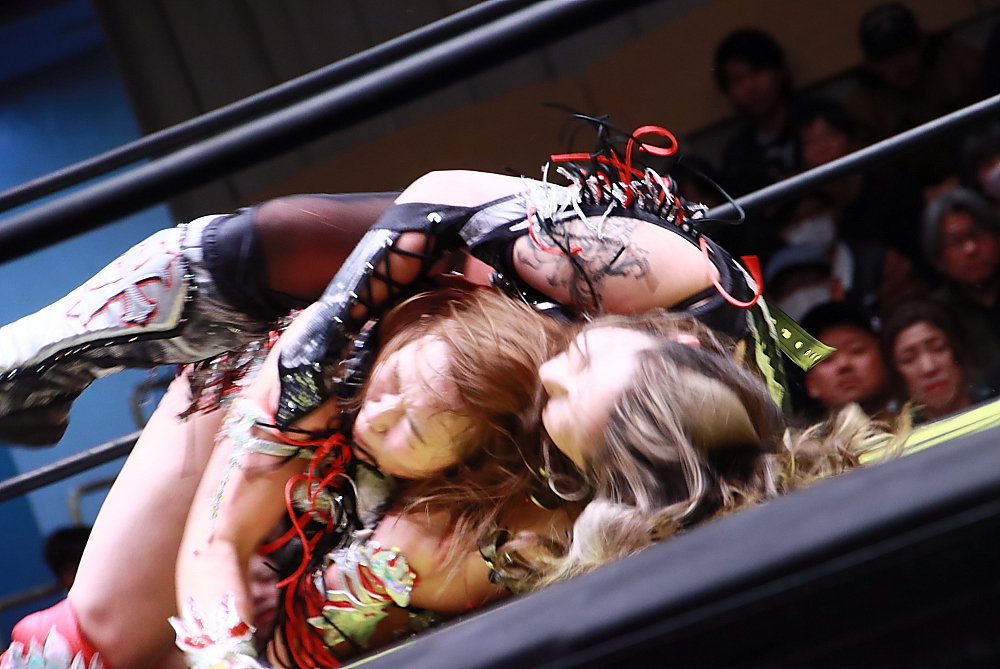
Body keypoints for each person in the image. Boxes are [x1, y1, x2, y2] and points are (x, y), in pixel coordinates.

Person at [845, 2, 982, 187]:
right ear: (871, 64)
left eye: (906, 46)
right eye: (887, 54)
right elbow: (877, 180)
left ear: (921, 44)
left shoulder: (962, 67)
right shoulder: (864, 111)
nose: (901, 61)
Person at [794, 97, 927, 273]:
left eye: (830, 135)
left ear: (852, 141)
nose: (822, 148)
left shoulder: (893, 191)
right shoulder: (803, 214)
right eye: (810, 142)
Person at [923, 188, 1000, 374]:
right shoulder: (935, 315)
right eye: (956, 242)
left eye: (976, 234)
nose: (971, 249)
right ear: (938, 259)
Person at [881, 300, 989, 422]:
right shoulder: (899, 435)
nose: (928, 367)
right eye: (908, 359)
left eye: (938, 348)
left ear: (959, 350)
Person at [799, 302, 893, 421]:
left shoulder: (915, 420)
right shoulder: (799, 434)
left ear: (884, 356)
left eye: (856, 350)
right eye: (827, 359)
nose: (843, 364)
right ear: (811, 383)